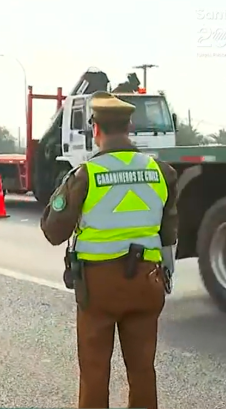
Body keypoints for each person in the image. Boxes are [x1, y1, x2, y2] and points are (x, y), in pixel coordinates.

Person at [40, 91, 178, 409]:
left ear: (95, 129)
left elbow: (53, 231)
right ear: (129, 127)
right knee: (142, 371)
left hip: (98, 288)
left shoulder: (86, 174)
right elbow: (169, 234)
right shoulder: (161, 172)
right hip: (147, 281)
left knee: (95, 371)